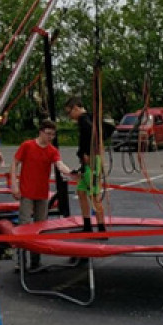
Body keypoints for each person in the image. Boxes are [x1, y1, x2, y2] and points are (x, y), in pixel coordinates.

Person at [10, 119, 74, 269]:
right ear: (41, 132)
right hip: (27, 191)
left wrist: (70, 172)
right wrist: (14, 184)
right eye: (48, 134)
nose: (50, 137)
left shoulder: (52, 150)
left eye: (53, 134)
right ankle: (21, 260)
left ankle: (35, 260)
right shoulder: (27, 145)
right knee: (24, 225)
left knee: (40, 227)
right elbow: (15, 163)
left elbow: (59, 164)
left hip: (42, 193)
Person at [64, 96, 107, 234]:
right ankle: (87, 225)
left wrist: (87, 153)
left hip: (92, 162)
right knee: (81, 192)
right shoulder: (88, 118)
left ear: (76, 108)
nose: (70, 116)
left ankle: (101, 228)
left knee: (94, 195)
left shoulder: (84, 120)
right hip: (88, 161)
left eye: (69, 112)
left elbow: (91, 135)